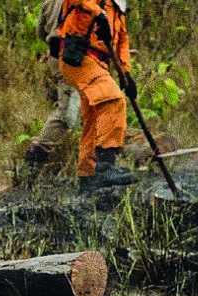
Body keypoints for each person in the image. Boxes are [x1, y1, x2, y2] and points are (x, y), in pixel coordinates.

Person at [56, 0, 138, 192]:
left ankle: (88, 178)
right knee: (113, 100)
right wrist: (98, 13)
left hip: (99, 62)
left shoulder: (118, 8)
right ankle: (105, 167)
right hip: (79, 56)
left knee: (94, 119)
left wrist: (126, 73)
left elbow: (122, 40)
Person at [25, 0, 80, 171]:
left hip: (57, 53)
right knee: (68, 111)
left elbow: (40, 31)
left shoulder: (49, 1)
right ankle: (36, 155)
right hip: (73, 55)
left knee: (85, 106)